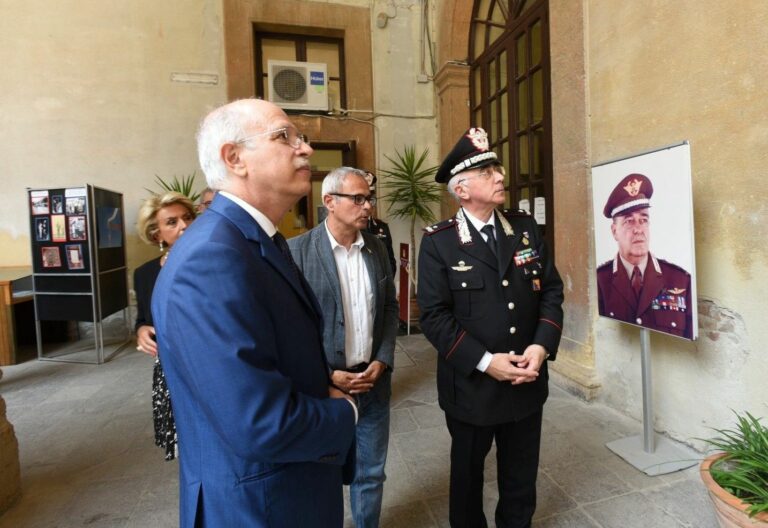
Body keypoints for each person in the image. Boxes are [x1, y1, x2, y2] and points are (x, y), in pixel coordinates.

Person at [151, 99, 357, 527]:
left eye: (300, 138)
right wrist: (348, 412)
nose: (304, 149)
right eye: (284, 137)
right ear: (235, 158)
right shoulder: (211, 258)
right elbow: (259, 423)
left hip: (284, 491)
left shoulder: (251, 238)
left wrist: (319, 378)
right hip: (257, 505)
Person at [417, 127, 564, 528]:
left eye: (497, 168)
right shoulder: (439, 242)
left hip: (526, 380)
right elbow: (433, 316)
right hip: (472, 388)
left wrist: (541, 347)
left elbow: (550, 290)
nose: (501, 176)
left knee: (520, 478)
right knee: (467, 479)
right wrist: (485, 362)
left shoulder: (524, 227)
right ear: (461, 190)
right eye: (487, 171)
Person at [289, 167, 398, 528]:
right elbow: (290, 328)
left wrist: (382, 359)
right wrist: (325, 375)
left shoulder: (378, 249)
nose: (368, 205)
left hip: (372, 383)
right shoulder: (297, 253)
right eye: (358, 198)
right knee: (319, 474)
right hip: (323, 390)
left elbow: (389, 308)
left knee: (370, 474)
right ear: (329, 202)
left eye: (369, 198)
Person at [134, 191, 196, 460]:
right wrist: (141, 330)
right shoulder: (145, 273)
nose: (184, 226)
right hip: (170, 367)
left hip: (205, 364)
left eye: (188, 218)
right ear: (156, 234)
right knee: (185, 445)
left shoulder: (208, 262)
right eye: (172, 222)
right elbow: (144, 318)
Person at [597, 173, 693, 338]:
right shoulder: (600, 280)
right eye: (629, 221)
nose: (638, 229)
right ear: (614, 231)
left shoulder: (680, 279)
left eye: (643, 220)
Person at [363, 171, 397, 274]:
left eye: (371, 200)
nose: (368, 205)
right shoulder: (350, 228)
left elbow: (390, 261)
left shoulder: (382, 227)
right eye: (361, 199)